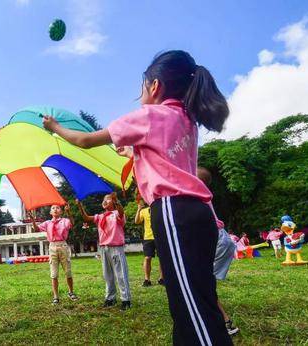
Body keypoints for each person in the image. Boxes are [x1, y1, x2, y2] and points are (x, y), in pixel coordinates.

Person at [44, 50, 232, 344]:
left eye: (142, 86)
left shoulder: (149, 115)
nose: (141, 92)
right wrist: (134, 151)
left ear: (155, 86)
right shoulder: (186, 119)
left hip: (174, 212)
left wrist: (54, 127)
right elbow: (169, 161)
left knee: (192, 307)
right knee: (195, 297)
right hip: (199, 212)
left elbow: (85, 140)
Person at [197, 167, 239, 336]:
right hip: (221, 239)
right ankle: (219, 319)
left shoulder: (197, 192)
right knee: (203, 283)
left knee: (202, 284)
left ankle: (225, 322)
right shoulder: (203, 194)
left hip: (217, 240)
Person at [76, 193, 132, 310]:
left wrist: (117, 202)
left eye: (108, 199)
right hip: (104, 248)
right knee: (108, 275)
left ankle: (125, 299)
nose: (105, 201)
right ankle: (110, 298)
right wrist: (80, 206)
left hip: (116, 247)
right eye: (104, 200)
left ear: (114, 202)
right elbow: (86, 218)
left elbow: (121, 213)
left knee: (121, 274)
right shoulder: (101, 216)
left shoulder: (117, 214)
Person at [29, 204, 79, 305]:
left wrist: (69, 212)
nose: (55, 209)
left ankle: (71, 292)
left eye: (58, 208)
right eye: (53, 208)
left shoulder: (65, 221)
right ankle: (56, 296)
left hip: (63, 245)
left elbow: (72, 223)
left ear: (61, 211)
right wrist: (33, 220)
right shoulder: (47, 223)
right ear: (50, 212)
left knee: (68, 271)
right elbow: (36, 229)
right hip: (52, 247)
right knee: (54, 274)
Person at [134, 200, 164, 286]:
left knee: (162, 258)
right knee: (147, 258)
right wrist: (139, 209)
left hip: (160, 236)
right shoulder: (144, 210)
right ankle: (147, 279)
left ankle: (162, 278)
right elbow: (137, 221)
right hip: (148, 237)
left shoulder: (159, 208)